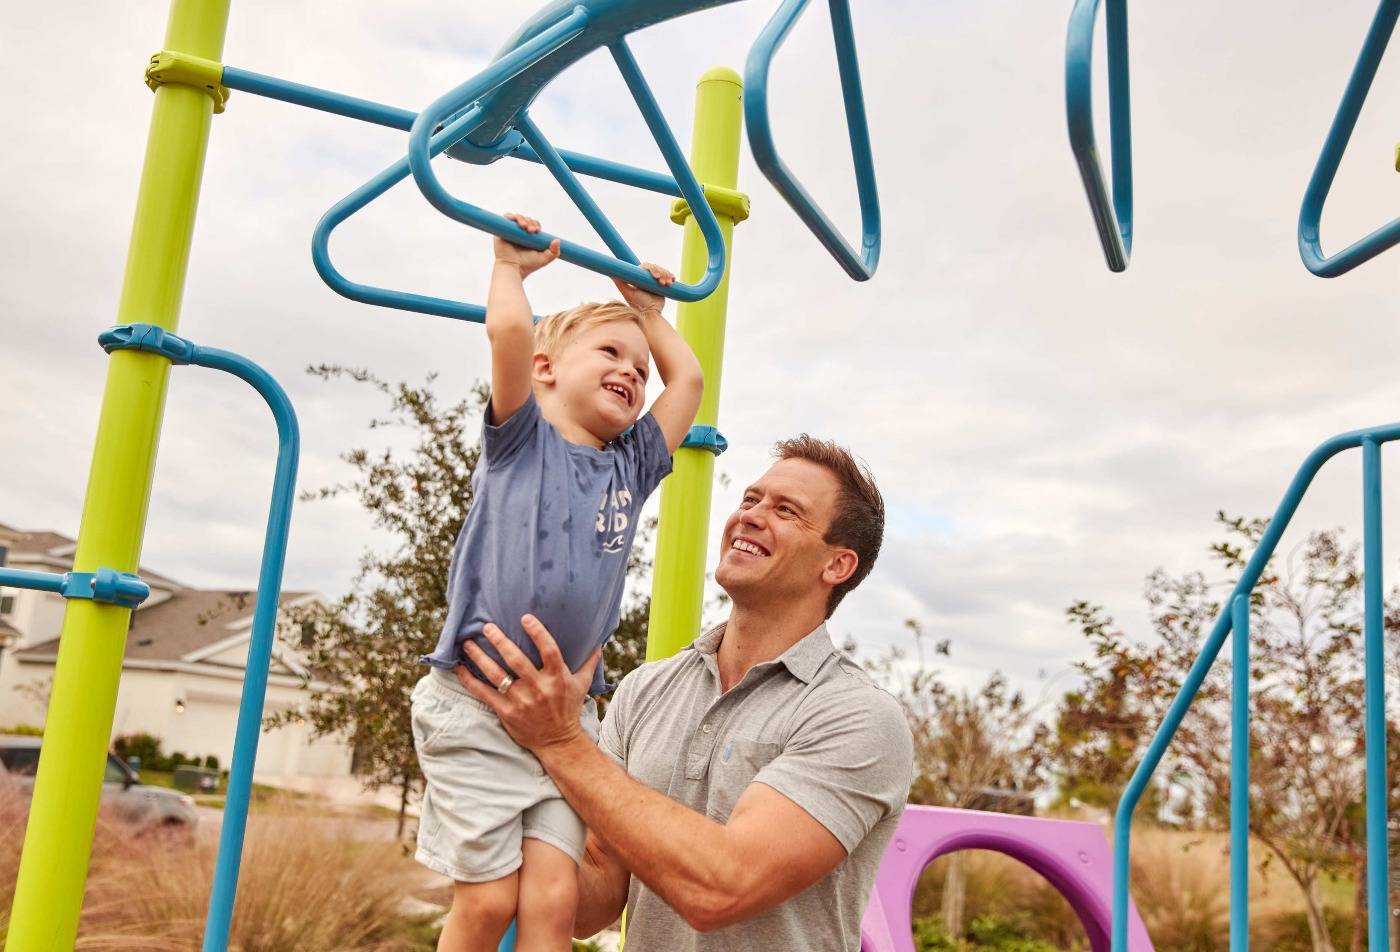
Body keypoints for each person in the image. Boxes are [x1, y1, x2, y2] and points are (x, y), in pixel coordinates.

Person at [456, 435, 915, 951]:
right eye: (749, 499)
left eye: (786, 510)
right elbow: (596, 897)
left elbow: (721, 890)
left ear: (836, 566)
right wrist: (490, 787)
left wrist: (560, 742)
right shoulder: (647, 689)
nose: (751, 516)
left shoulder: (856, 717)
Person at [412, 213, 703, 952]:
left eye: (640, 370)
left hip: (564, 724)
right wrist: (509, 269)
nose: (633, 374)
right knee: (484, 905)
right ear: (548, 372)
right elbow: (510, 336)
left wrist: (645, 316)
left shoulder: (631, 469)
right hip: (477, 707)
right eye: (611, 353)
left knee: (552, 899)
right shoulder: (521, 442)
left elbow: (689, 380)